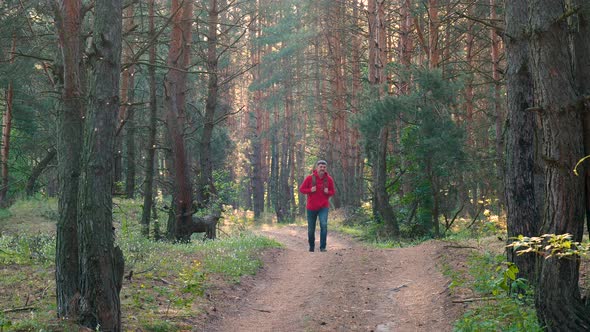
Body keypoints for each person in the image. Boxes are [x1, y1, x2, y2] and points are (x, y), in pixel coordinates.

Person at [299, 159, 335, 252]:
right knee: (311, 229)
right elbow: (302, 189)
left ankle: (323, 247)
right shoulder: (309, 178)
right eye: (320, 167)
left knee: (324, 225)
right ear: (317, 167)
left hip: (323, 207)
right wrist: (310, 190)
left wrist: (328, 192)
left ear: (326, 168)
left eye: (324, 167)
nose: (322, 169)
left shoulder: (329, 179)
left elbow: (333, 192)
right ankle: (311, 247)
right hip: (311, 207)